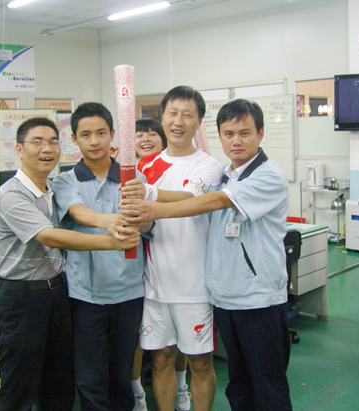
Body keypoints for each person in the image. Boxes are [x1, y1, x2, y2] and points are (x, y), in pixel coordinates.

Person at [121, 99, 293, 411]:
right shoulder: (228, 174)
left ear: (260, 133)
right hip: (225, 297)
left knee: (268, 387)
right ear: (218, 135)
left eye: (244, 133)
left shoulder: (267, 175)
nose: (236, 141)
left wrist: (153, 205)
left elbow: (214, 201)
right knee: (239, 386)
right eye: (228, 134)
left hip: (259, 300)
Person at [0, 117, 140, 411]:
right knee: (19, 388)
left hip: (58, 292)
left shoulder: (50, 190)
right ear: (19, 149)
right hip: (23, 298)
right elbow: (49, 236)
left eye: (52, 142)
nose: (46, 149)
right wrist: (111, 241)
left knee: (58, 386)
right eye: (37, 142)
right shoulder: (12, 194)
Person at [122, 86, 223, 411]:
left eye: (187, 115)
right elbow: (142, 221)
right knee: (162, 358)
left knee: (200, 363)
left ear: (199, 122)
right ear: (163, 117)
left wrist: (147, 194)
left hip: (195, 286)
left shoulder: (209, 166)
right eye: (172, 113)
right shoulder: (146, 166)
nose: (178, 122)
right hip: (155, 284)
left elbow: (190, 200)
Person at [52, 102, 146, 411]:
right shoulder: (66, 180)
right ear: (74, 139)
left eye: (101, 133)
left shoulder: (134, 178)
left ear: (112, 134)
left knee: (120, 376)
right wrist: (107, 221)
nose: (94, 141)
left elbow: (149, 225)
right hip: (85, 297)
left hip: (129, 293)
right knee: (91, 379)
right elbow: (77, 211)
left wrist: (143, 214)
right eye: (86, 134)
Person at [131, 118, 190, 411]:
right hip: (136, 267)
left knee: (178, 337)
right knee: (139, 337)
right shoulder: (128, 173)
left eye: (152, 134)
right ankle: (137, 394)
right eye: (139, 134)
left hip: (174, 262)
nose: (145, 139)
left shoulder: (173, 169)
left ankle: (181, 387)